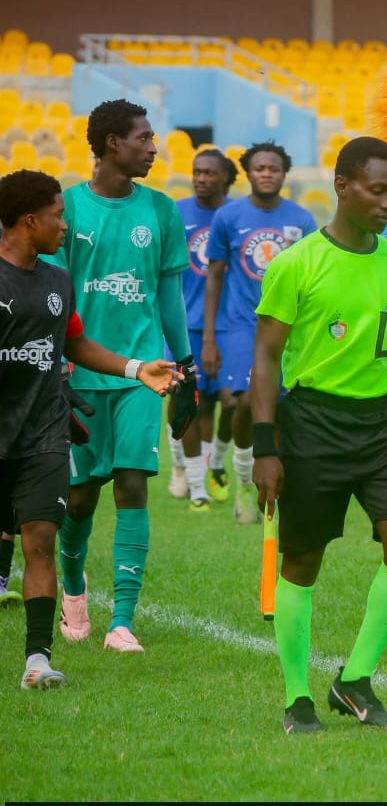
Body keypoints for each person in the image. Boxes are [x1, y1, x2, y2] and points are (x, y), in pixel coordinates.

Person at [250, 136, 387, 734]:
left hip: (379, 424)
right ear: (343, 187)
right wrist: (266, 447)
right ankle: (296, 698)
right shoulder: (296, 264)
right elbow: (265, 359)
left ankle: (354, 678)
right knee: (303, 561)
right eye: (378, 189)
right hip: (311, 422)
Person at [0, 170, 180, 689]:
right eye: (56, 215)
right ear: (29, 220)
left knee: (39, 536)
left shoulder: (58, 283)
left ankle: (38, 659)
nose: (64, 223)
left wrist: (133, 368)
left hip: (42, 430)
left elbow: (74, 343)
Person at [49, 98, 200, 654]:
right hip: (81, 373)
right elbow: (57, 301)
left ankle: (123, 621)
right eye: (144, 138)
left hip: (145, 373)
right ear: (113, 143)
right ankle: (72, 590)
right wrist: (59, 371)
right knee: (82, 496)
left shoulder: (160, 210)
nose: (153, 148)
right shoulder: (66, 210)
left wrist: (186, 368)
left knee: (133, 484)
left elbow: (168, 295)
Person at [202, 141, 316, 523]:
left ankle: (276, 487)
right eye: (259, 168)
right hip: (239, 324)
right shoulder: (227, 217)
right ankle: (245, 481)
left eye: (274, 168)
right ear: (248, 173)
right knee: (245, 400)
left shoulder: (302, 220)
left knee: (280, 408)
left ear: (284, 174)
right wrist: (209, 337)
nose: (267, 174)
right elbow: (214, 277)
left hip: (286, 325)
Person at [166, 147, 237, 510]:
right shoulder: (177, 212)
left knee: (221, 402)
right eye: (196, 172)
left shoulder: (235, 214)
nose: (201, 179)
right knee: (182, 397)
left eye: (209, 173)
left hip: (228, 326)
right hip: (183, 323)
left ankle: (211, 465)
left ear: (225, 176)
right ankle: (186, 472)